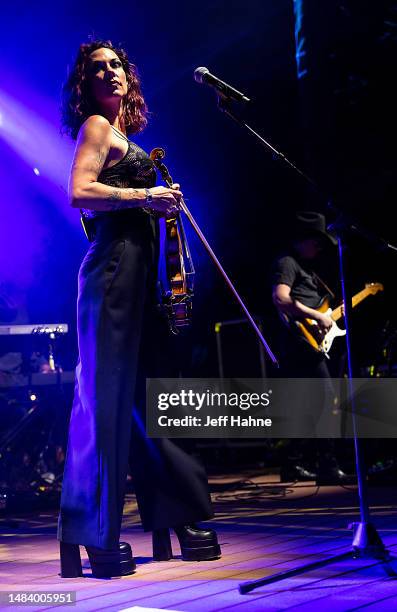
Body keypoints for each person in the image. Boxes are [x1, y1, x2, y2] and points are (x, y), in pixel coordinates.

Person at [57, 40, 221, 579]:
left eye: (117, 65)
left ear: (130, 76)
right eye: (97, 68)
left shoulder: (127, 138)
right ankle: (93, 536)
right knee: (103, 404)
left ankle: (179, 514)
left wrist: (161, 203)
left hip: (140, 281)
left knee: (155, 401)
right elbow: (79, 191)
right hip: (110, 278)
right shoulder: (96, 129)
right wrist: (145, 198)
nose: (110, 73)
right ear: (86, 84)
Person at [272, 211, 348, 483]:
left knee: (307, 404)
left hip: (310, 343)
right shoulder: (288, 262)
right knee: (327, 399)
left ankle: (293, 463)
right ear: (303, 239)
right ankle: (327, 465)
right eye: (316, 241)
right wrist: (318, 317)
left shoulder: (309, 270)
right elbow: (281, 298)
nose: (319, 247)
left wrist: (328, 316)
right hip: (300, 343)